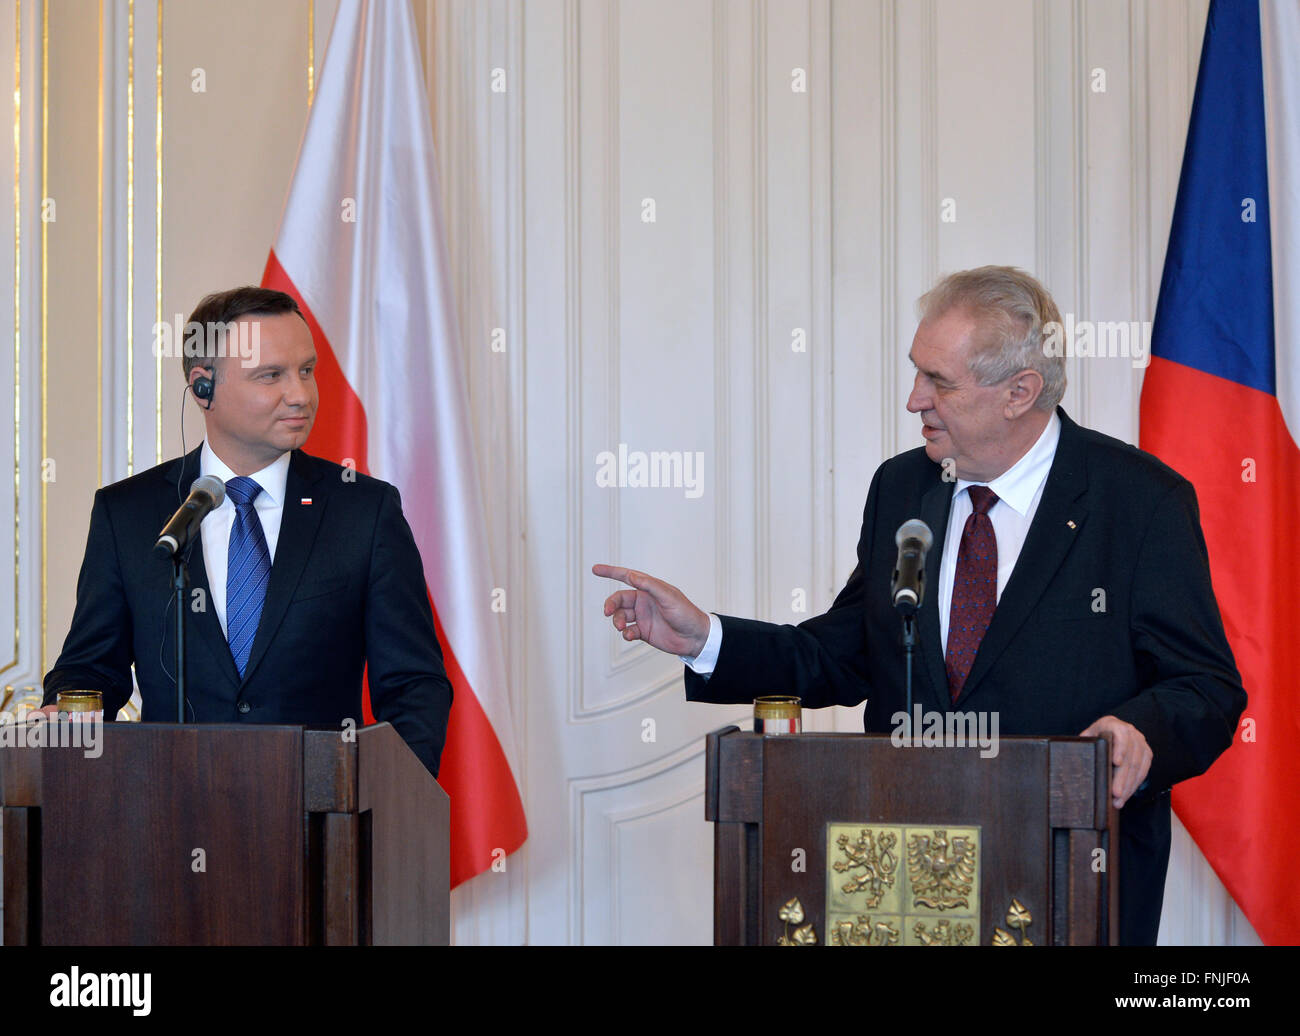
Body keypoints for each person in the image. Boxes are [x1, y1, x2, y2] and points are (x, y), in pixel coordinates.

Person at [594, 266, 1246, 945]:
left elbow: (1206, 687)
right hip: (900, 884)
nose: (913, 400)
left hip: (1072, 881)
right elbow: (841, 655)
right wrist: (706, 638)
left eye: (938, 380)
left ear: (1019, 393)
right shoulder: (905, 487)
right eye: (917, 373)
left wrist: (1138, 731)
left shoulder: (1138, 501)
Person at [42, 286, 452, 776]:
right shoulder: (127, 513)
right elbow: (91, 668)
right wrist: (66, 719)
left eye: (306, 370)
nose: (301, 394)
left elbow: (414, 686)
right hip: (165, 820)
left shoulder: (364, 510)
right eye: (270, 376)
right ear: (203, 388)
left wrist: (381, 798)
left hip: (323, 829)